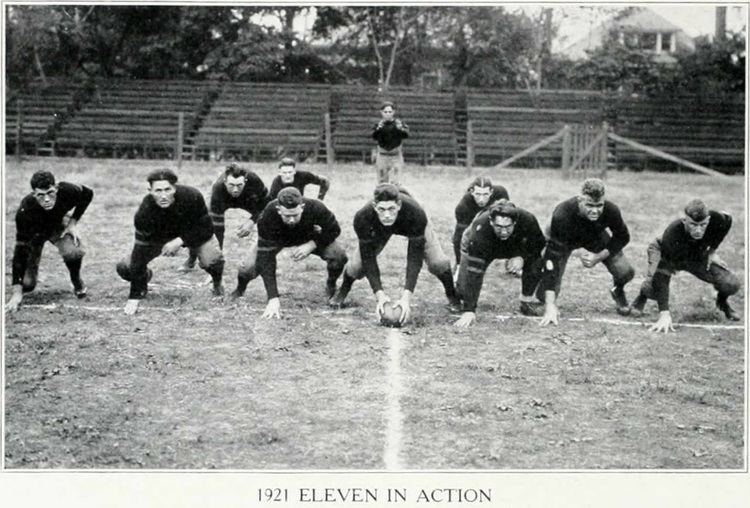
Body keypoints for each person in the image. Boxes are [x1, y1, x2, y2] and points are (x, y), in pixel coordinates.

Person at [329, 183, 460, 324]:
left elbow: (414, 257)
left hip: (410, 223)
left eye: (391, 208)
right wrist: (380, 295)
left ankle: (452, 294)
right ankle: (343, 290)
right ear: (374, 207)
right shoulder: (363, 217)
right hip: (380, 229)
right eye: (382, 209)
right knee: (356, 266)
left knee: (438, 262)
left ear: (399, 205)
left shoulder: (416, 212)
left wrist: (406, 297)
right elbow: (368, 258)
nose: (386, 215)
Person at [116, 169, 224, 315]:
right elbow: (139, 254)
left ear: (175, 187)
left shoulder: (192, 196)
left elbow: (207, 229)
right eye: (158, 191)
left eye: (167, 189)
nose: (163, 195)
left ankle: (217, 283)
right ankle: (143, 283)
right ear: (150, 190)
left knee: (211, 259)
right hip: (160, 238)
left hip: (191, 233)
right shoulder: (144, 213)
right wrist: (133, 297)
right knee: (125, 266)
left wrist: (180, 241)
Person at [230, 187, 347, 319]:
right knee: (248, 267)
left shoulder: (316, 207)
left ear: (302, 207)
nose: (291, 220)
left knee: (338, 255)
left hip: (308, 238)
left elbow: (334, 229)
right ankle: (240, 288)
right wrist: (272, 297)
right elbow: (266, 258)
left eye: (295, 215)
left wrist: (312, 244)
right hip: (277, 240)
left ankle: (331, 284)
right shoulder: (267, 215)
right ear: (279, 210)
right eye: (287, 216)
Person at [630, 199, 741, 332]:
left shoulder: (716, 219)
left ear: (709, 220)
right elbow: (662, 274)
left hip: (696, 255)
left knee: (730, 283)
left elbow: (727, 221)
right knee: (654, 288)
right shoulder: (671, 234)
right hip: (667, 252)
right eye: (694, 225)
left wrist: (712, 251)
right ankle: (643, 294)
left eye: (703, 225)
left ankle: (722, 302)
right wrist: (664, 314)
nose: (699, 230)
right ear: (684, 221)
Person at [538, 178, 635, 326]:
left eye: (599, 205)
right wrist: (550, 304)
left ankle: (618, 290)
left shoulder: (611, 210)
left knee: (625, 271)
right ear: (579, 200)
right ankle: (546, 297)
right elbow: (553, 256)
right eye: (589, 205)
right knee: (546, 285)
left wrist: (598, 256)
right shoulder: (562, 213)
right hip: (566, 238)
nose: (595, 210)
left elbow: (623, 236)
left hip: (595, 237)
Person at [6, 170, 93, 312]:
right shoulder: (25, 211)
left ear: (57, 189)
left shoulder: (67, 190)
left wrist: (72, 223)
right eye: (41, 195)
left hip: (57, 226)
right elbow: (20, 251)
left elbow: (88, 193)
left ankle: (76, 279)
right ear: (34, 194)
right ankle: (29, 276)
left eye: (50, 193)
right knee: (27, 284)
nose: (46, 199)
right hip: (35, 234)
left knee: (74, 251)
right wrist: (16, 292)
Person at [454, 200, 546, 327]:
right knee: (464, 290)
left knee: (536, 261)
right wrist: (469, 310)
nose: (503, 232)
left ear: (515, 222)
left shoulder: (528, 220)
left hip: (514, 244)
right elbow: (475, 272)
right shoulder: (480, 231)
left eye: (508, 227)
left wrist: (522, 257)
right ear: (491, 222)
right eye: (499, 226)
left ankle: (526, 301)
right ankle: (460, 296)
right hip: (486, 244)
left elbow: (539, 244)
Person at [180, 162, 269, 272]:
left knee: (268, 219)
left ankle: (265, 259)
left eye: (239, 185)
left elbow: (267, 205)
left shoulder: (255, 181)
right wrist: (216, 263)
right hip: (223, 200)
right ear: (225, 181)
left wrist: (252, 221)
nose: (235, 190)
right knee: (201, 224)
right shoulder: (218, 189)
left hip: (247, 201)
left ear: (245, 181)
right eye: (231, 185)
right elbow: (218, 230)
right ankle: (192, 258)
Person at [453, 176, 510, 265]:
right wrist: (459, 263)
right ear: (472, 192)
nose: (481, 199)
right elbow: (459, 237)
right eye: (478, 194)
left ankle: (510, 260)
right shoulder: (463, 206)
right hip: (473, 220)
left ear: (491, 192)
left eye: (485, 194)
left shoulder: (500, 193)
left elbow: (510, 216)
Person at [372, 101, 409, 184]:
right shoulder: (379, 124)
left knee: (396, 182)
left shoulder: (399, 123)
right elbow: (373, 136)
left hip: (396, 156)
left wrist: (400, 129)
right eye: (385, 112)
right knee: (382, 182)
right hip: (382, 156)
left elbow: (406, 135)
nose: (387, 114)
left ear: (393, 112)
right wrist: (378, 129)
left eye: (390, 112)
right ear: (381, 112)